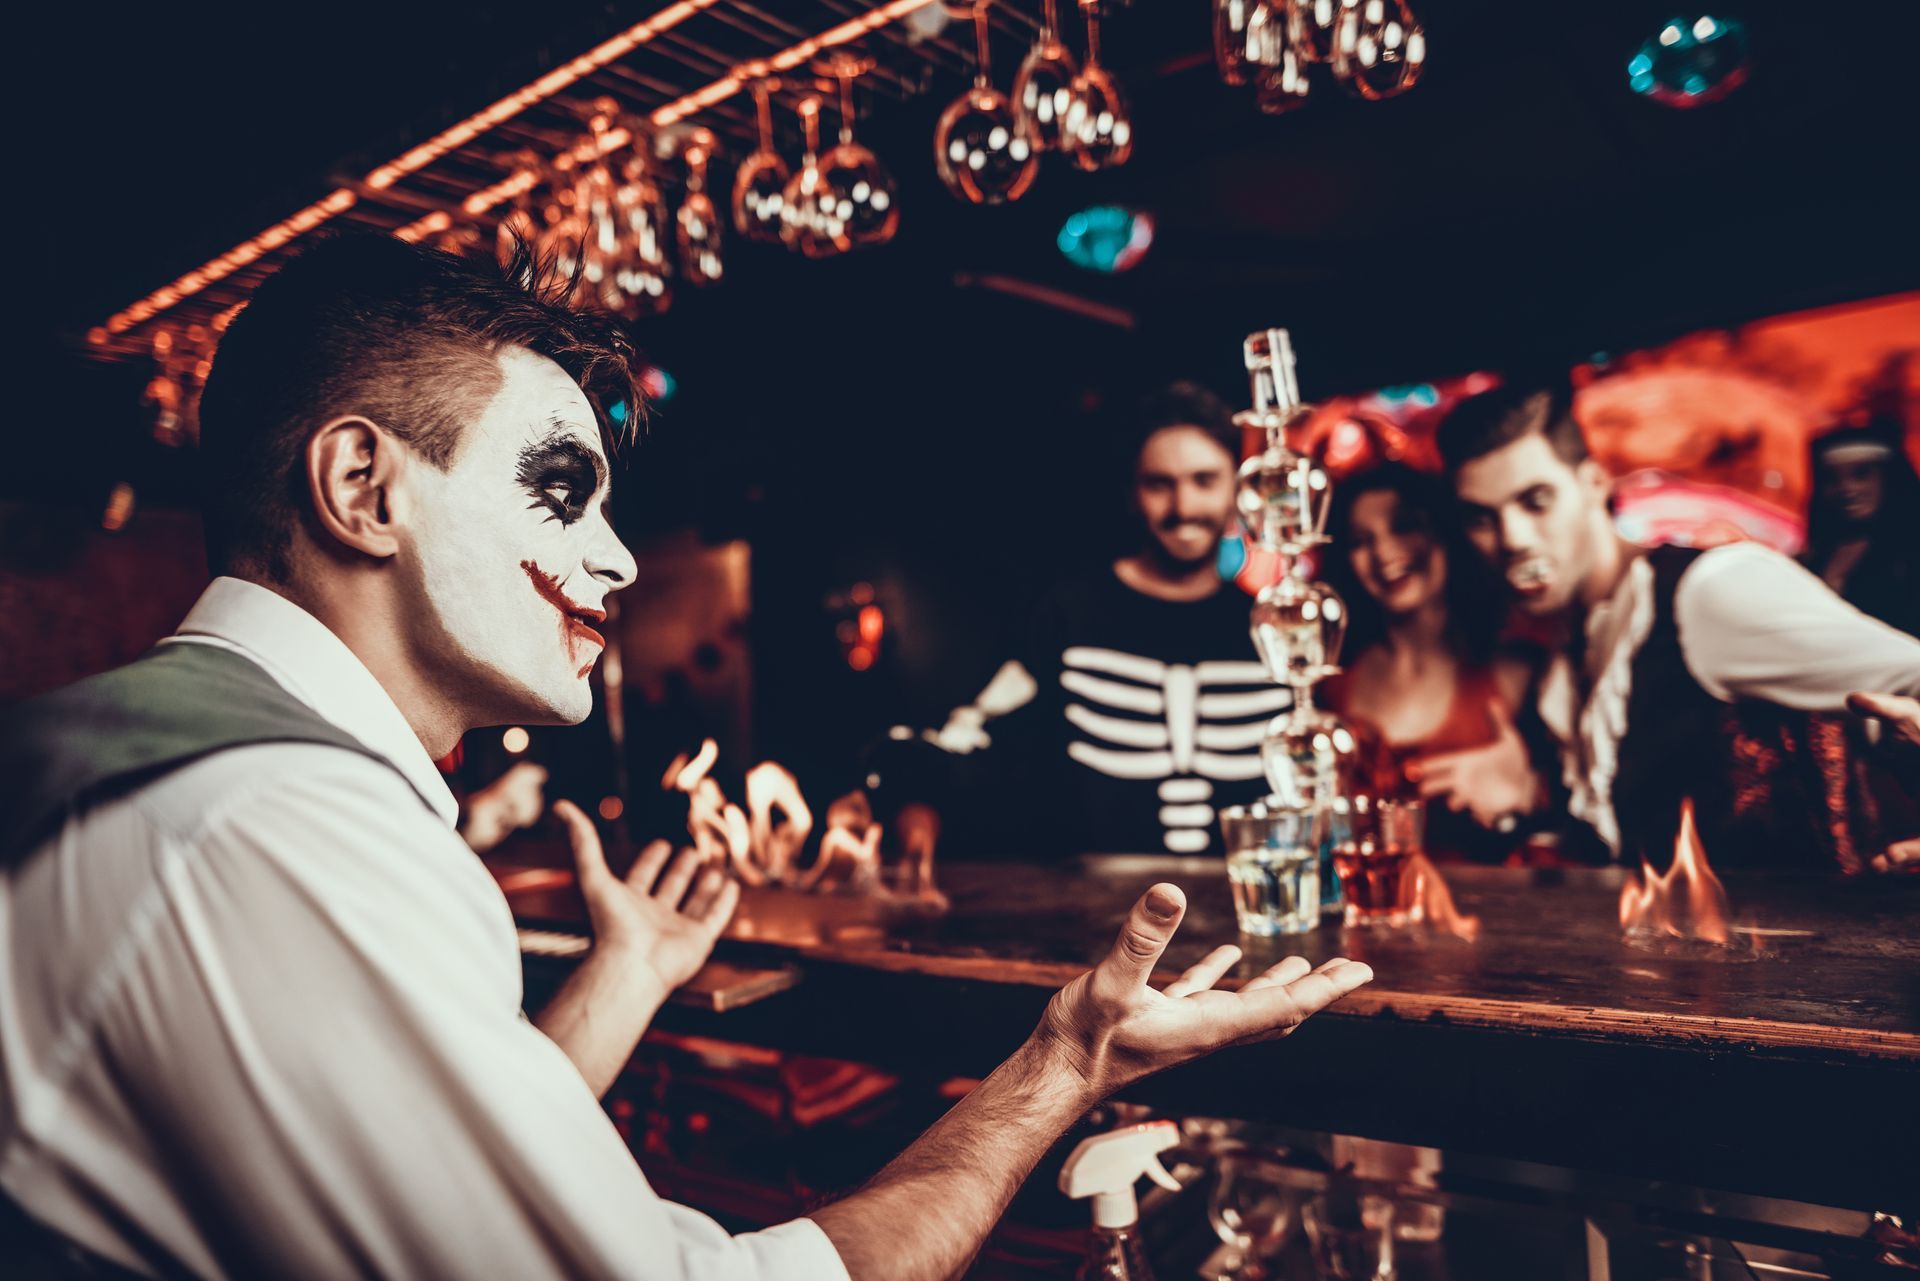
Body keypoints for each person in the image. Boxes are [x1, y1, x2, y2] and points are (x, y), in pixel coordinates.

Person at [0, 235, 1373, 1280]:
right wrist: (1062, 1064)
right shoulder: (277, 824)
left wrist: (626, 975)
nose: (612, 558)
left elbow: (418, 1171)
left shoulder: (180, 772)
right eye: (561, 490)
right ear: (365, 490)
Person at [1434, 377, 1920, 874]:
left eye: (1535, 501)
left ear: (1594, 484)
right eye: (1480, 518)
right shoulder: (1569, 649)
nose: (1511, 538)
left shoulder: (1709, 589)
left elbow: (1911, 679)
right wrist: (1525, 798)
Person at [921, 383, 1290, 857]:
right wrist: (918, 798)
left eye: (1204, 480)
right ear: (1133, 494)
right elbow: (971, 732)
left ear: (1237, 491)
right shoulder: (1069, 615)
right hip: (1091, 915)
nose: (1183, 508)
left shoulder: (1268, 632)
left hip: (1249, 910)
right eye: (1160, 483)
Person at [1315, 463, 1549, 861]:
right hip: (1369, 909)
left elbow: (1576, 831)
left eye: (1404, 526)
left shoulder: (1518, 671)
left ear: (1445, 533)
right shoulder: (1331, 677)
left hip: (1494, 912)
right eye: (1359, 540)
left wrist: (1529, 796)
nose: (1384, 552)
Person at [1801, 420, 1920, 639]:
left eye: (1861, 474)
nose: (1847, 488)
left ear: (1890, 480)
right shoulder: (1810, 559)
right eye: (1832, 479)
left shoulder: (1912, 555)